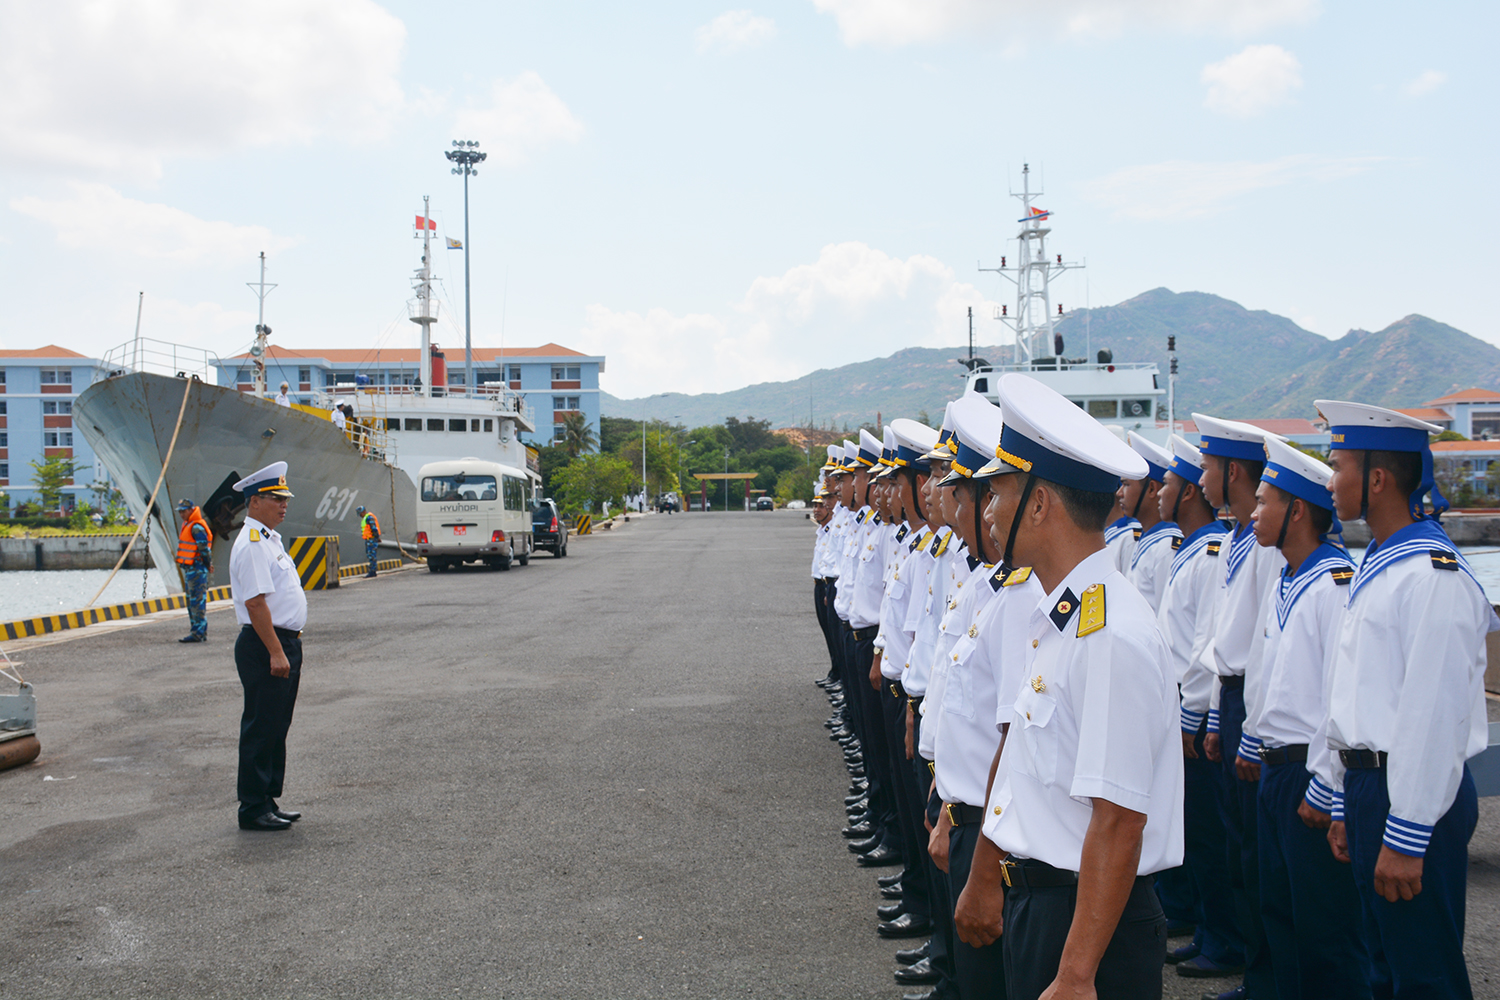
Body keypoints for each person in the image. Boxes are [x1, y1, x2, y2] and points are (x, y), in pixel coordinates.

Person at [971, 372, 1181, 1000]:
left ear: (1038, 504)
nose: (988, 510)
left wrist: (1076, 973)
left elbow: (1118, 822)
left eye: (998, 491)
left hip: (1088, 928)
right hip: (1048, 908)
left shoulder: (1110, 632)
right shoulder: (1062, 615)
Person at [1315, 399, 1494, 999]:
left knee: (1425, 975)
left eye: (1337, 464)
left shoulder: (1431, 576)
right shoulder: (1384, 567)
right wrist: (1346, 800)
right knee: (1383, 968)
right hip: (1373, 786)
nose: (1328, 477)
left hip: (1414, 793)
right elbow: (1359, 699)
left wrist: (1408, 831)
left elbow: (1431, 716)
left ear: (1379, 479)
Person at [1248, 434, 1371, 1000]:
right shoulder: (1285, 577)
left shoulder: (1334, 584)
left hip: (1309, 772)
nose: (1252, 513)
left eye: (1263, 502)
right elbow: (1270, 674)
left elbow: (1340, 698)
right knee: (1280, 913)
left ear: (1296, 510)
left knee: (1326, 931)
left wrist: (1330, 786)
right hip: (1278, 768)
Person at [1184, 412, 1286, 992]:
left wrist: (1240, 722)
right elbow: (1215, 632)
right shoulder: (1240, 539)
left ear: (1235, 471)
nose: (1200, 477)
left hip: (1252, 697)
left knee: (1255, 849)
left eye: (1208, 465)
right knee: (1239, 845)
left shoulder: (1266, 545)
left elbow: (1263, 644)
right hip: (1231, 696)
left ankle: (1262, 973)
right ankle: (1253, 967)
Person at [1153, 435, 1240, 973]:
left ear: (1187, 493)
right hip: (1182, 707)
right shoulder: (1192, 551)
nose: (1162, 489)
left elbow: (1207, 646)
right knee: (1201, 834)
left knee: (1212, 835)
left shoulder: (1209, 553)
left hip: (1201, 712)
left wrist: (1191, 715)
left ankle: (1222, 938)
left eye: (1170, 481)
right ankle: (1210, 929)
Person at [229, 461, 308, 833]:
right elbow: (255, 603)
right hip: (266, 644)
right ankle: (252, 807)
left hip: (281, 642)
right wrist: (276, 651)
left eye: (285, 498)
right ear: (255, 501)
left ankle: (267, 800)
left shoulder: (269, 540)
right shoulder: (253, 544)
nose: (284, 505)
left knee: (277, 725)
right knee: (261, 727)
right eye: (276, 499)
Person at [175, 497, 213, 643]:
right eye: (180, 512)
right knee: (192, 602)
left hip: (197, 568)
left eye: (184, 511)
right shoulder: (189, 525)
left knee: (197, 602)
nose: (181, 515)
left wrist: (208, 564)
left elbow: (204, 549)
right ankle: (197, 631)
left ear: (191, 510)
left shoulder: (196, 527)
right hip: (190, 569)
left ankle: (198, 632)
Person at [356, 505, 381, 577]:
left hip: (371, 539)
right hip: (369, 539)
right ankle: (372, 570)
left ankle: (372, 571)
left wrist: (376, 537)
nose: (360, 515)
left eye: (360, 513)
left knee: (372, 556)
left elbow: (374, 529)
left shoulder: (369, 518)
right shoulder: (366, 518)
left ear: (363, 512)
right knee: (370, 555)